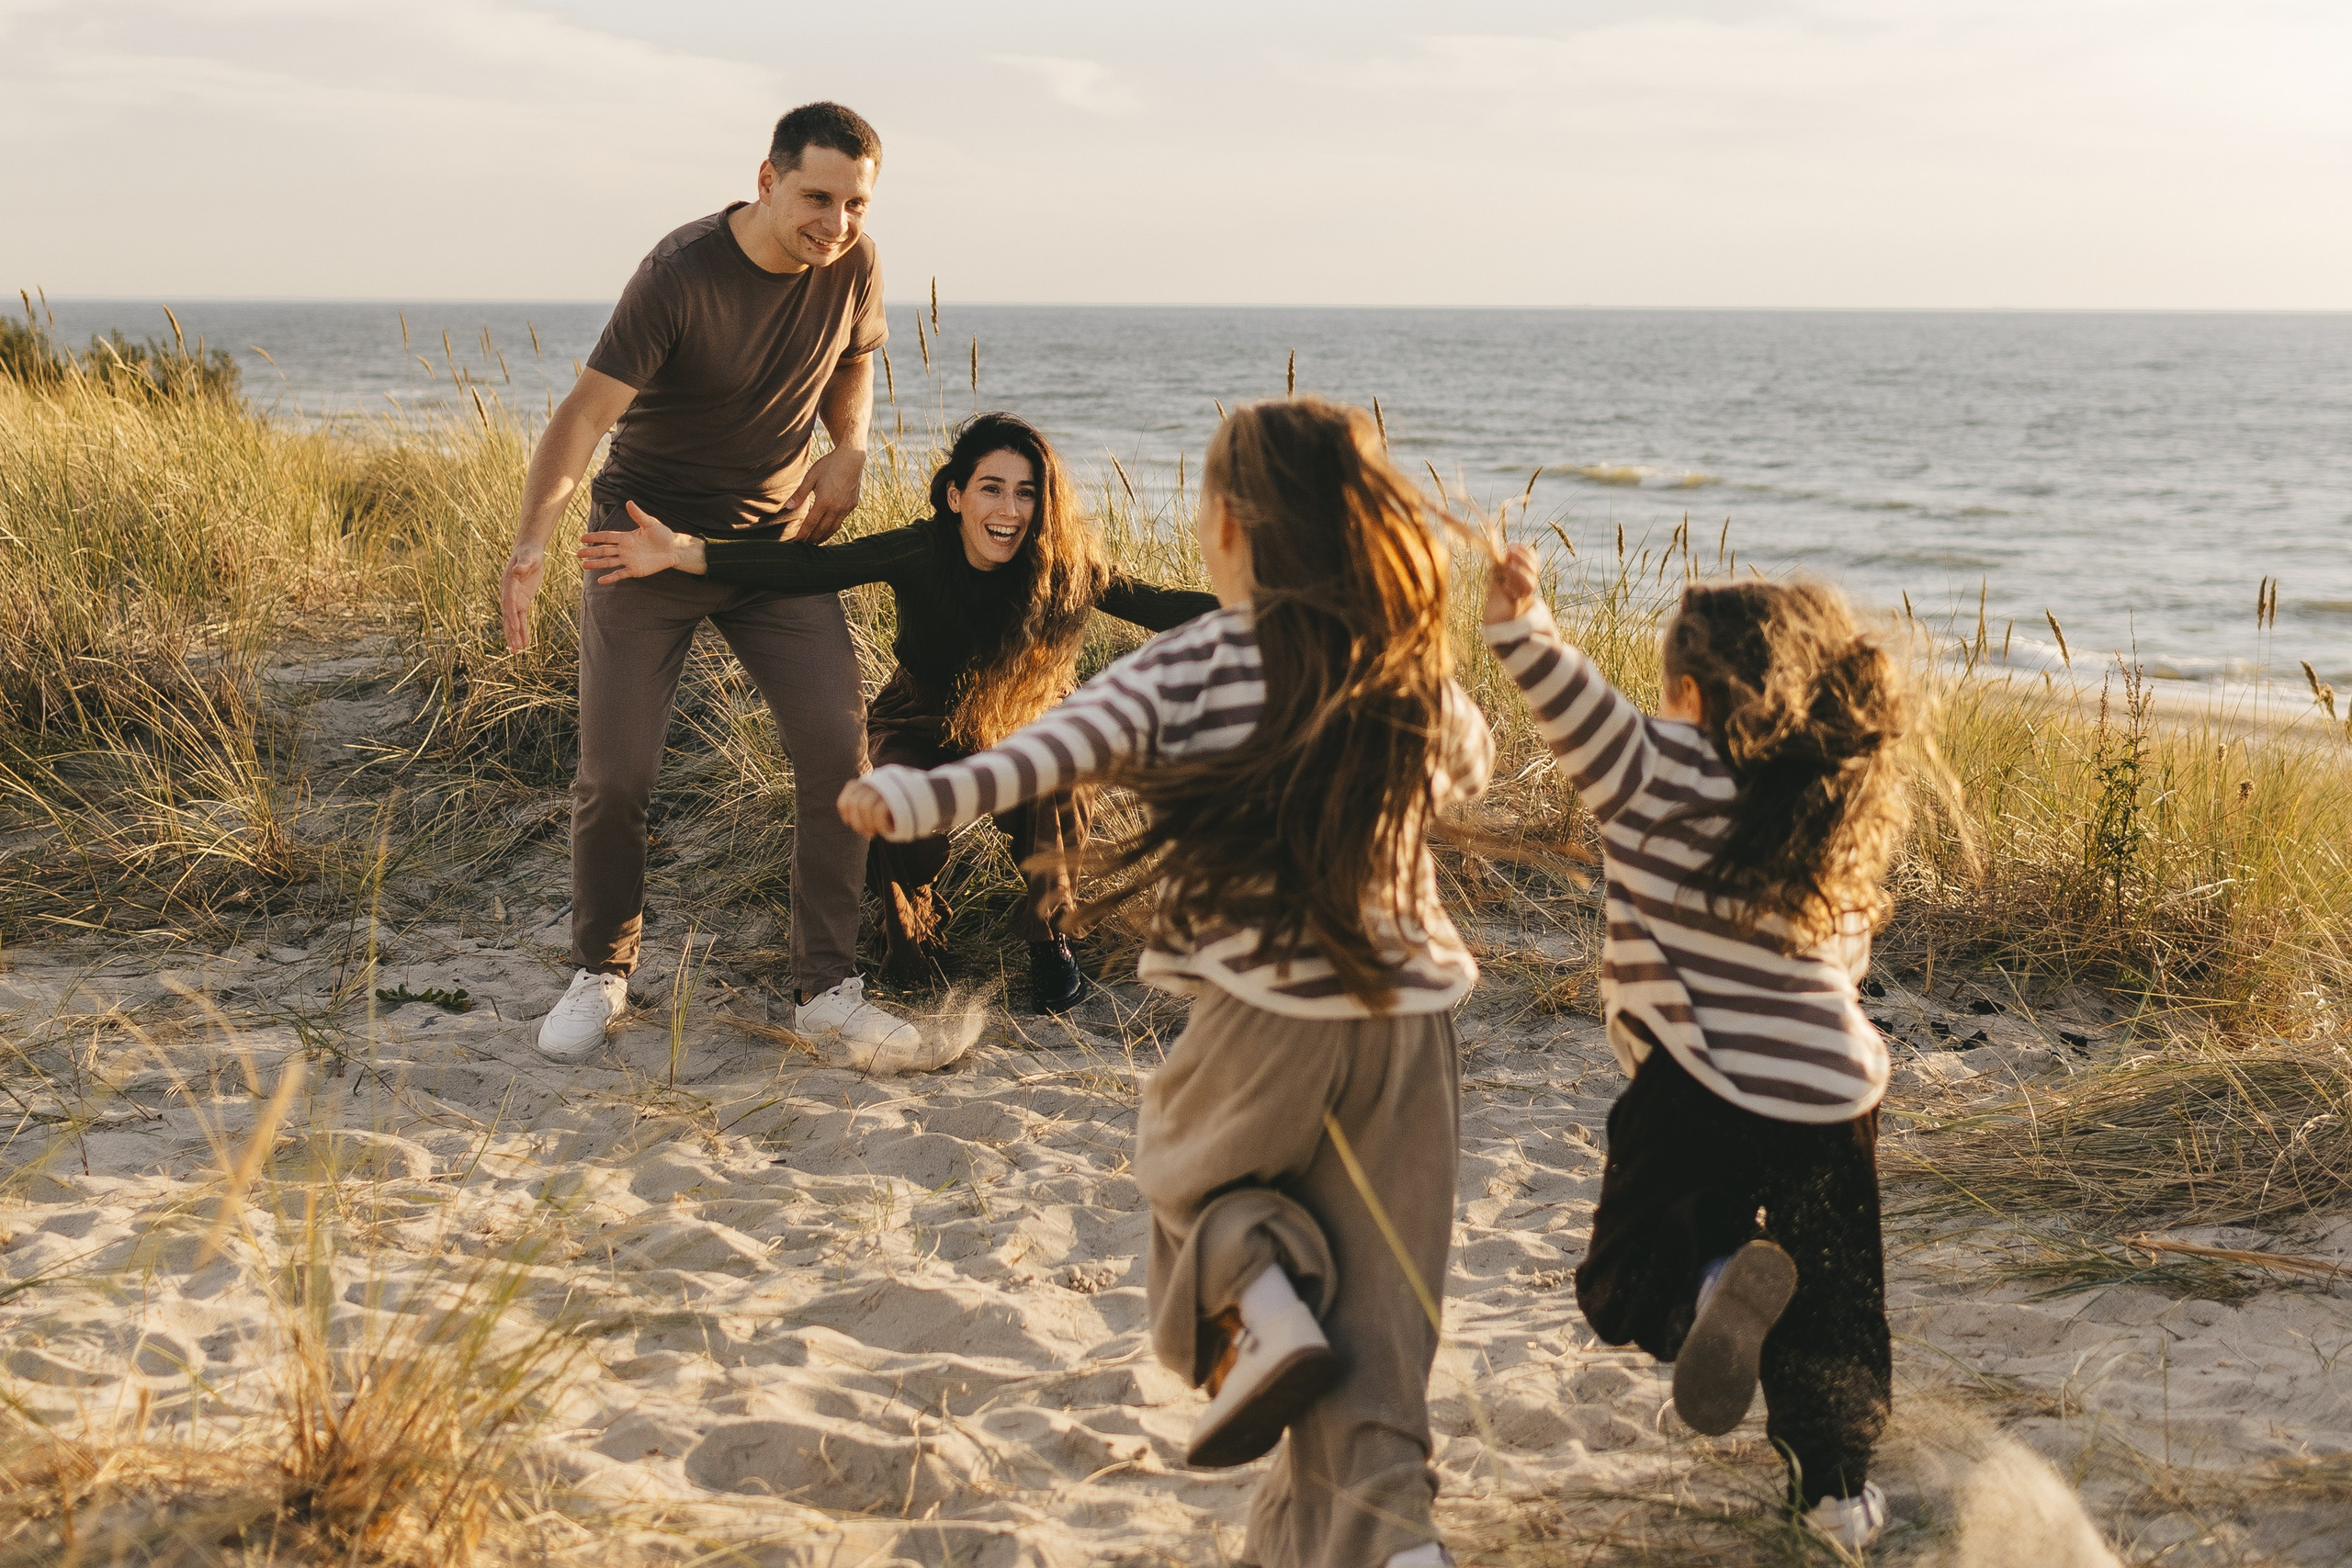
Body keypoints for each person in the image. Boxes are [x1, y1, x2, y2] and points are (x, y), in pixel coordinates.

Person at [838, 398, 1489, 1568]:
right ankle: (1398, 1540)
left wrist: (918, 800)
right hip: (1417, 1026)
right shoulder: (1396, 669)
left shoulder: (1197, 660)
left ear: (1233, 527)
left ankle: (1257, 1309)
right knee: (1384, 1329)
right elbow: (1465, 768)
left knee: (1191, 1180)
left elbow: (1048, 747)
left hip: (1267, 1011)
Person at [1482, 546, 1931, 1551]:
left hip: (1694, 1078)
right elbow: (1844, 962)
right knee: (1836, 1309)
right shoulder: (1828, 800)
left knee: (1630, 1271)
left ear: (1684, 686)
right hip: (1831, 1089)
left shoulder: (1648, 765)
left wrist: (1519, 615)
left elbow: (1562, 693)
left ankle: (1714, 1281)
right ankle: (1837, 1498)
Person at [499, 101, 922, 1063]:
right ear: (767, 180)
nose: (837, 222)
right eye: (818, 197)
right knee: (617, 777)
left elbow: (853, 359)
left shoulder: (854, 260)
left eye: (855, 203)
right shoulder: (679, 274)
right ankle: (602, 971)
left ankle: (829, 988)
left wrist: (849, 446)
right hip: (644, 542)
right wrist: (534, 539)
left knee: (837, 759)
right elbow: (584, 416)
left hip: (773, 550)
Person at [577, 412, 1220, 1009]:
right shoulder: (920, 551)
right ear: (955, 496)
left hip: (1028, 717)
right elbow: (810, 568)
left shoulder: (1064, 566)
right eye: (991, 489)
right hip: (922, 716)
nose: (1010, 510)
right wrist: (685, 551)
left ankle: (1048, 938)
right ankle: (913, 919)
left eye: (1027, 493)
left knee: (1064, 772)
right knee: (886, 799)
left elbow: (1160, 604)